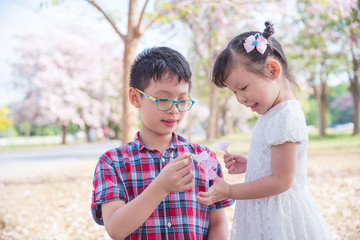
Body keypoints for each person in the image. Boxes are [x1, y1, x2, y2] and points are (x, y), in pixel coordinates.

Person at [196, 22, 332, 239]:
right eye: (234, 93)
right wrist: (252, 165)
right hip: (267, 209)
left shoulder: (285, 115)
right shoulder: (272, 113)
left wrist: (229, 191)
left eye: (243, 88)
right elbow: (280, 166)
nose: (240, 98)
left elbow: (281, 181)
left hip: (281, 218)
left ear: (273, 70)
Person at [91, 46, 234, 239]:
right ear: (135, 97)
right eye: (164, 99)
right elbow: (116, 229)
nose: (174, 110)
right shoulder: (112, 162)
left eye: (182, 101)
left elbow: (217, 222)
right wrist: (161, 187)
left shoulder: (203, 158)